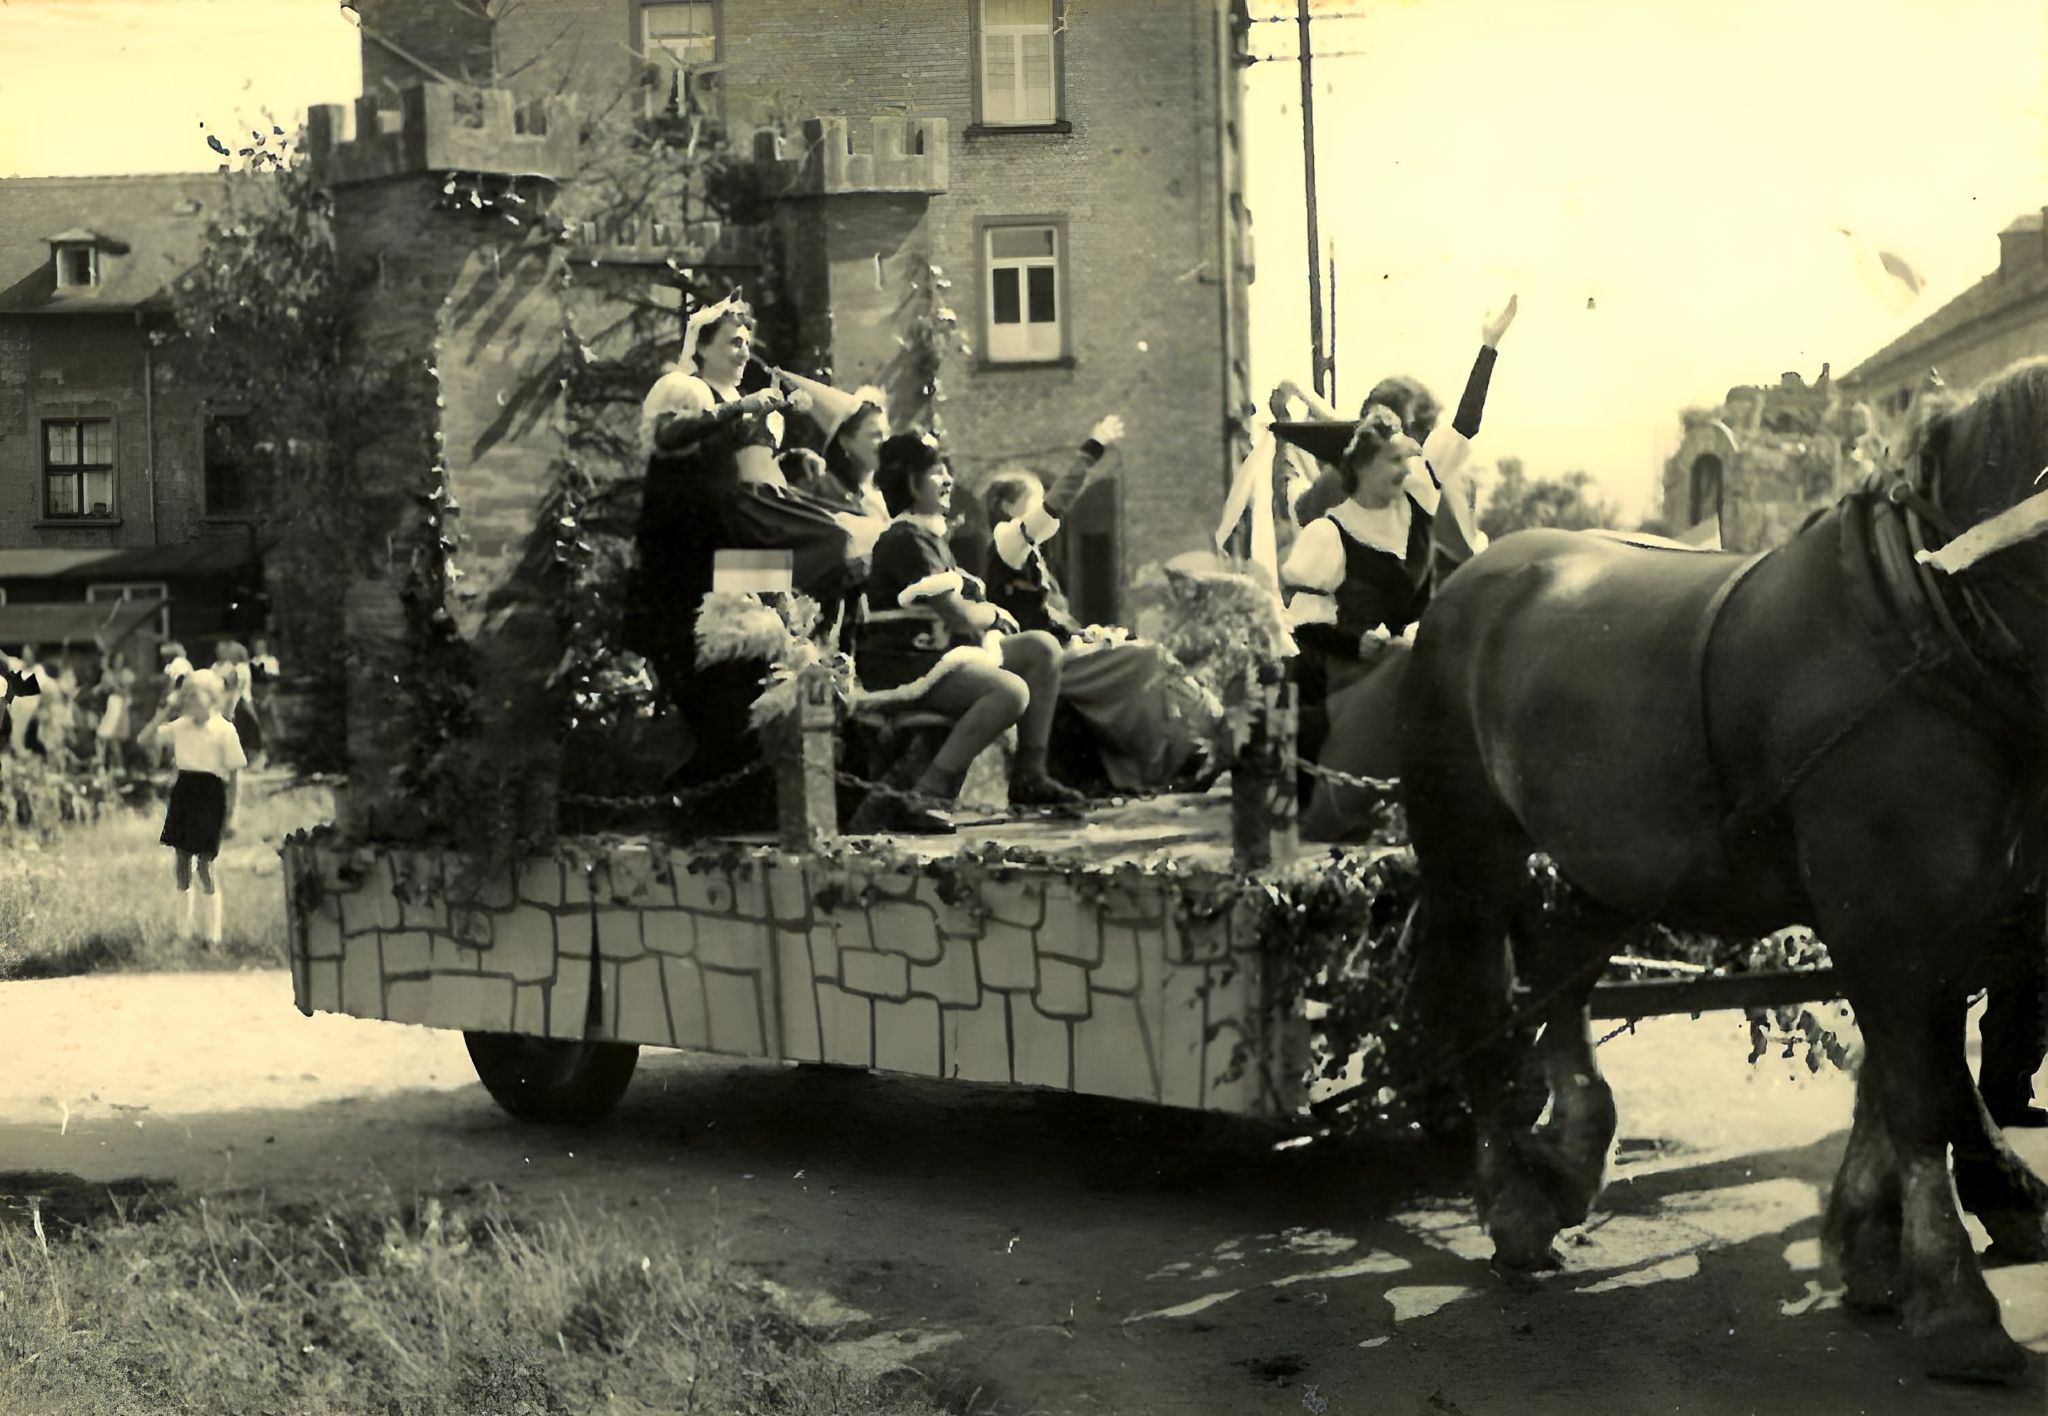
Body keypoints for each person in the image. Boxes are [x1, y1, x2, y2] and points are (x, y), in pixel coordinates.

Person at [623, 293, 853, 829]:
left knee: (756, 683)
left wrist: (780, 592)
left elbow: (756, 488)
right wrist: (736, 409)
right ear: (700, 349)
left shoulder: (758, 407)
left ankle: (710, 810)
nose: (743, 351)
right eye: (732, 342)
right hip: (685, 559)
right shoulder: (683, 389)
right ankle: (683, 804)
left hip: (733, 554)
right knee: (714, 694)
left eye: (747, 342)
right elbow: (668, 435)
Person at [850, 431, 1085, 833]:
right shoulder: (904, 537)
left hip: (937, 654)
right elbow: (957, 614)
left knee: (1041, 649)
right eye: (935, 472)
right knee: (1010, 692)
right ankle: (926, 793)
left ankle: (1030, 773)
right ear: (909, 483)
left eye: (946, 471)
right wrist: (991, 614)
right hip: (907, 665)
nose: (946, 480)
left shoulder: (928, 535)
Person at [976, 417, 1220, 792]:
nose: (1043, 507)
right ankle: (1173, 756)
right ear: (1009, 507)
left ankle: (1183, 746)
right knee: (1145, 661)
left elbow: (1048, 614)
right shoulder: (1008, 541)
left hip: (1057, 648)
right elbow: (1059, 503)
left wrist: (1086, 632)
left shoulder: (1027, 553)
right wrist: (1092, 447)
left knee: (1140, 653)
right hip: (1043, 660)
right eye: (1033, 500)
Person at [1280, 407, 1432, 840]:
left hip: (1404, 658)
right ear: (1363, 466)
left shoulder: (1414, 517)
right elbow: (1304, 626)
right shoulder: (1330, 532)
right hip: (1346, 672)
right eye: (1394, 461)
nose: (1405, 471)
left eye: (1407, 460)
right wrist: (1352, 643)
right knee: (1406, 662)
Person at [139, 668, 246, 948]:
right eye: (186, 698)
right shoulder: (180, 726)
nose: (189, 703)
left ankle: (212, 936)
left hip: (210, 794)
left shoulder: (224, 729)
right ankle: (183, 933)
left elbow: (235, 776)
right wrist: (165, 711)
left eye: (194, 697)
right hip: (185, 791)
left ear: (211, 698)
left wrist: (233, 815)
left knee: (205, 865)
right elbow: (145, 739)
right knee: (182, 862)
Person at [94, 652, 135, 774]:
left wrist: (113, 684)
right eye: (116, 660)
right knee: (104, 736)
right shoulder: (108, 675)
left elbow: (124, 692)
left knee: (114, 737)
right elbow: (102, 689)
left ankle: (119, 765)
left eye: (121, 660)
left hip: (120, 705)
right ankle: (107, 764)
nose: (118, 662)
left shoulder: (126, 674)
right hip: (110, 704)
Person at [6, 645, 45, 759]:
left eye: (27, 654)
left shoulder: (39, 672)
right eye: (24, 653)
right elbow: (4, 658)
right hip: (16, 709)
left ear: (34, 656)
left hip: (31, 711)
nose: (24, 656)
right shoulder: (19, 665)